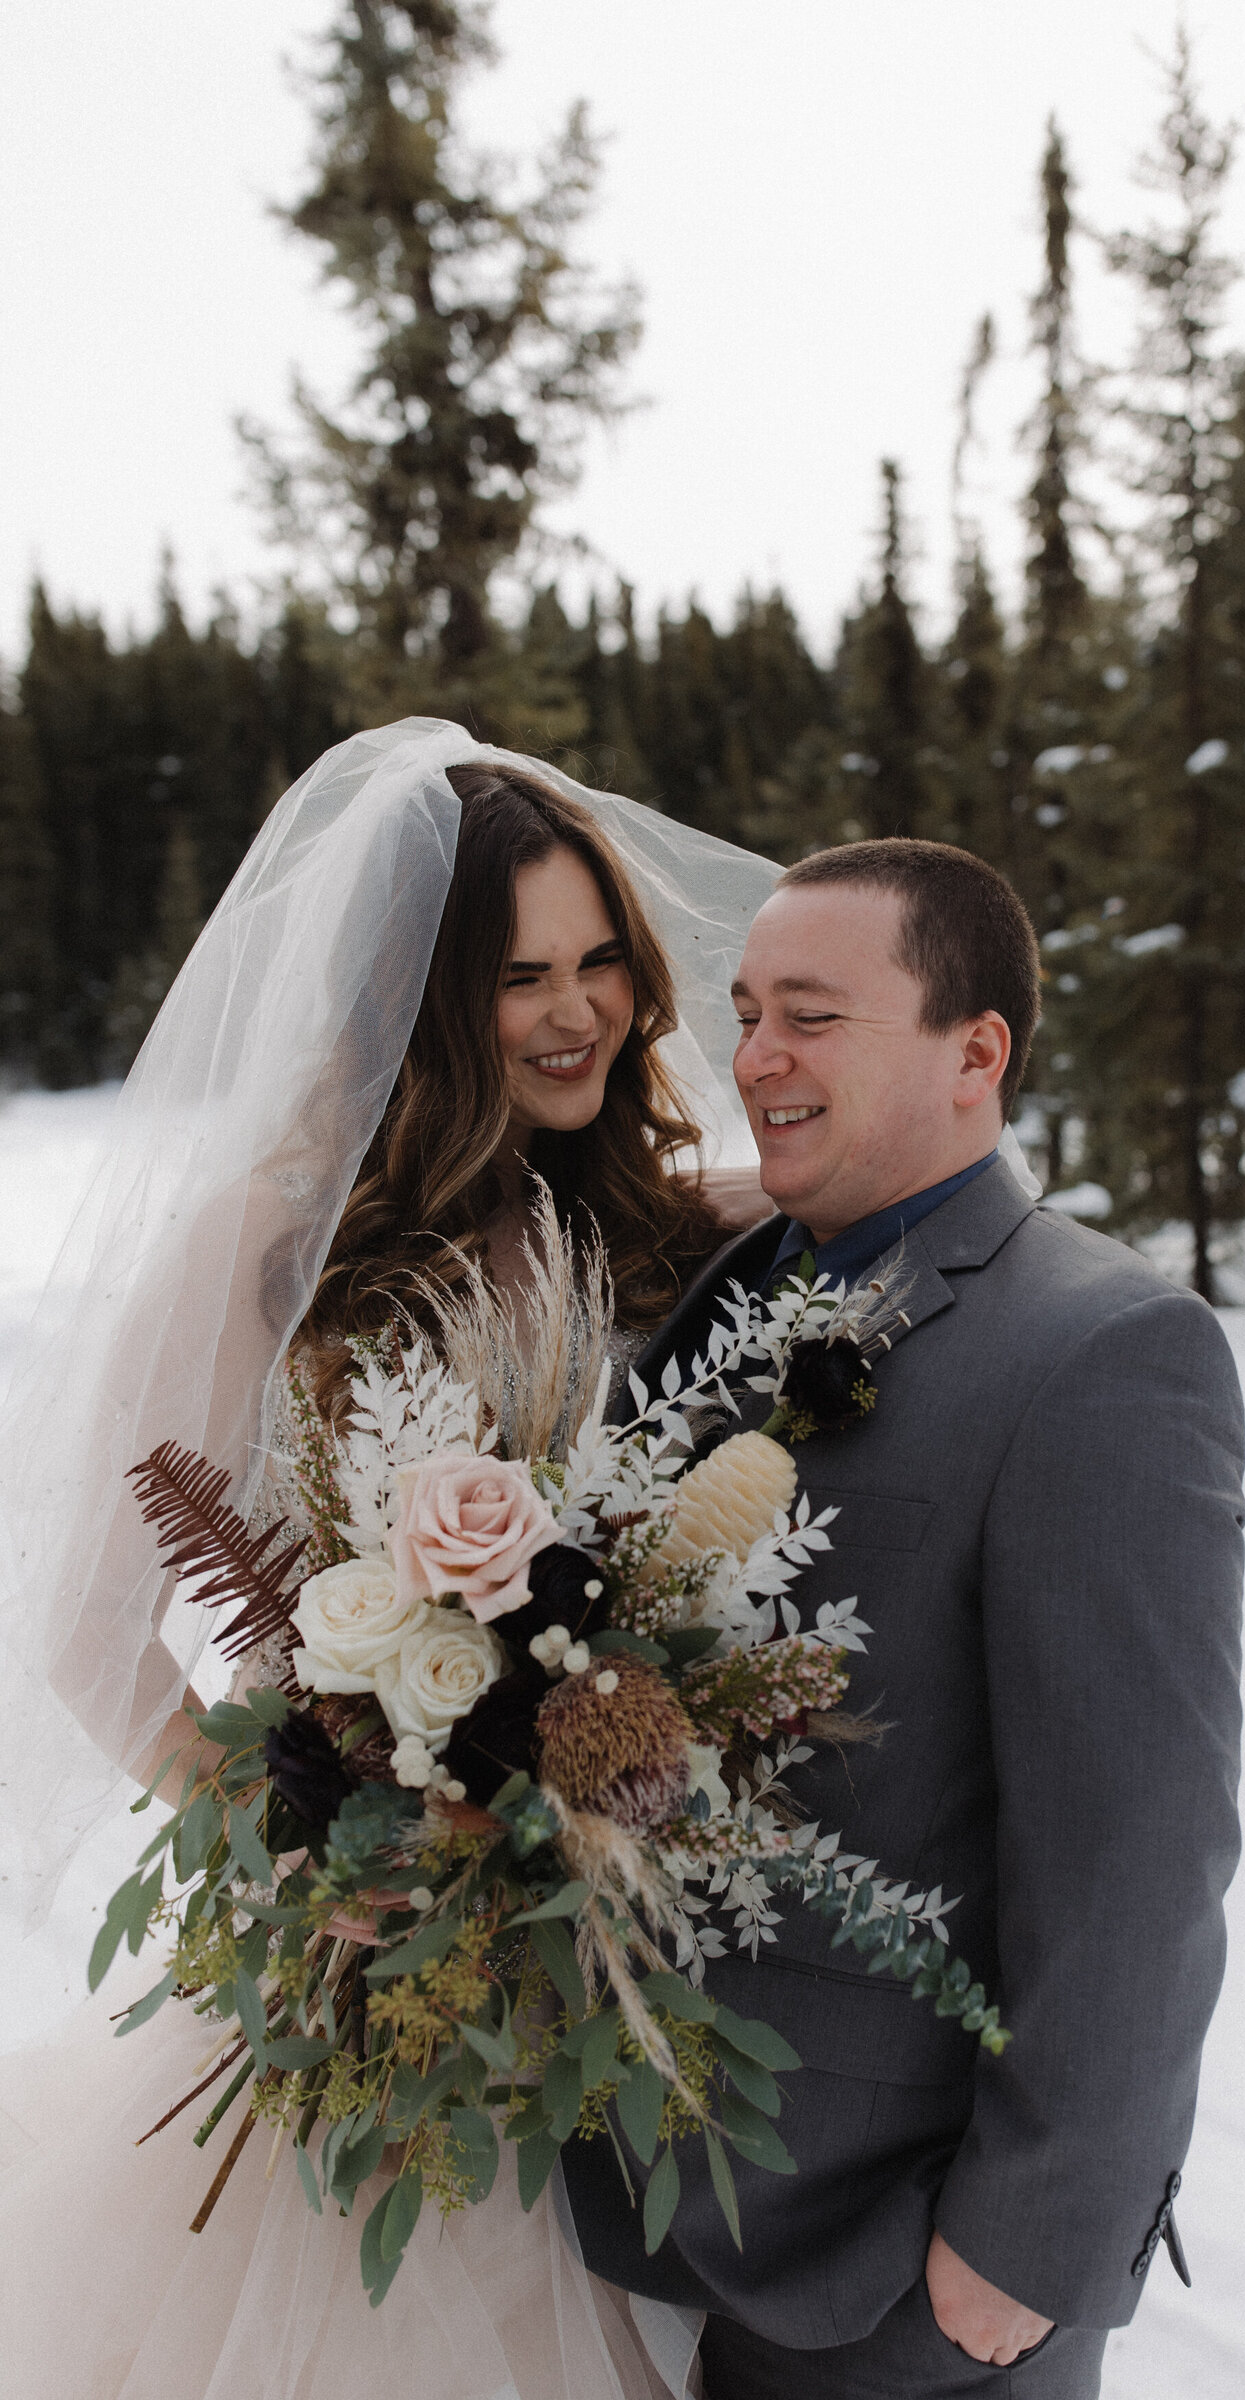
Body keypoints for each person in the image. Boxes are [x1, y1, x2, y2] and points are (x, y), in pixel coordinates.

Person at [0, 722, 776, 2400]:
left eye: (601, 964)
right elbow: (85, 1624)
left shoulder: (674, 1215)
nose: (579, 1013)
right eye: (519, 978)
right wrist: (297, 1826)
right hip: (395, 1986)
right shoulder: (276, 1243)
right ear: (419, 1007)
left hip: (634, 1964)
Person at [562, 838, 1245, 2399]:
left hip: (893, 2272)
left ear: (976, 1051)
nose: (756, 1058)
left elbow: (1140, 1852)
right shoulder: (731, 1289)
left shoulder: (1107, 1351)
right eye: (744, 1013)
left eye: (811, 1015)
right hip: (640, 2204)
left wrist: (1030, 2241)